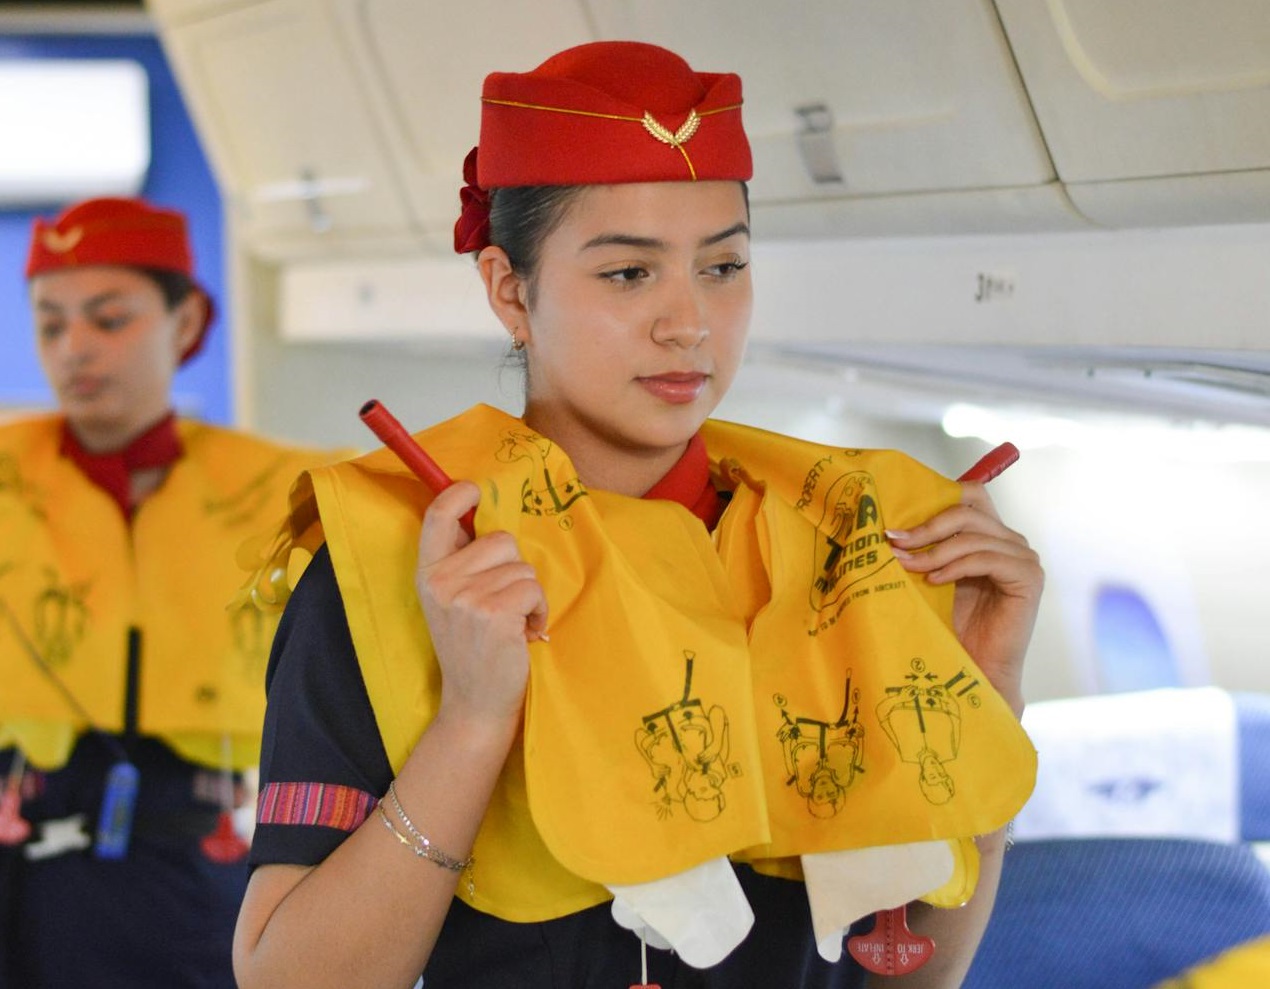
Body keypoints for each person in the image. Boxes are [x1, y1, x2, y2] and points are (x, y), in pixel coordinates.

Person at [233, 40, 1043, 989]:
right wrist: (471, 719)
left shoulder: (842, 551)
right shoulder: (415, 567)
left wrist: (986, 691)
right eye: (628, 274)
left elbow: (913, 977)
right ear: (509, 289)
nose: (689, 321)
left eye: (723, 266)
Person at [0, 196, 340, 988]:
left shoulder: (280, 486)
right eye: (51, 324)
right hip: (20, 843)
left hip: (191, 857)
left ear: (185, 324)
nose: (74, 348)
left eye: (108, 319)